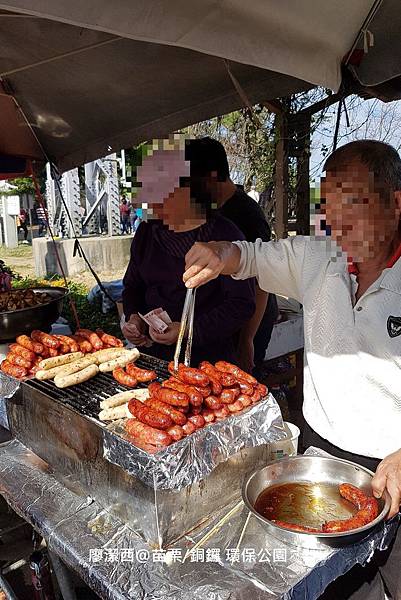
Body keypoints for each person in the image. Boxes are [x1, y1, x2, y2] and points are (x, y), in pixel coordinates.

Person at [183, 140, 401, 600]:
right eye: (331, 210)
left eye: (354, 207)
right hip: (320, 457)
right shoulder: (318, 256)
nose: (339, 227)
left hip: (394, 468)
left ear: (394, 202)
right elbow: (251, 257)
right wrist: (219, 254)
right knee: (324, 587)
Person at [121, 137, 256, 365]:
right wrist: (135, 318)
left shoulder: (225, 235)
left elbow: (241, 304)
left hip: (210, 362)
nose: (149, 201)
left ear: (185, 186)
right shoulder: (146, 232)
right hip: (155, 359)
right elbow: (133, 286)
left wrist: (187, 331)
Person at [185, 137, 279, 376]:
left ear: (213, 177)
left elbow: (262, 280)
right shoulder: (210, 210)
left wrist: (248, 339)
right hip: (227, 318)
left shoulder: (246, 215)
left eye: (193, 181)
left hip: (251, 321)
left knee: (244, 387)